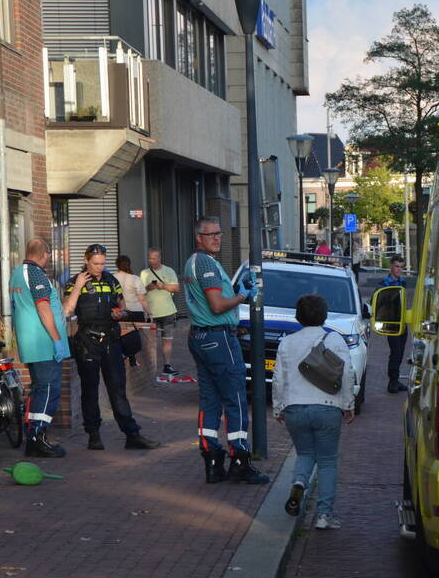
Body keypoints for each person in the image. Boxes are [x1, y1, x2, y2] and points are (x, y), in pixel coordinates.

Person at [183, 216, 268, 484]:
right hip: (218, 339)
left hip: (201, 336)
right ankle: (240, 461)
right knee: (236, 398)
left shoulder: (193, 262)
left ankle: (211, 458)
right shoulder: (206, 262)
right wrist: (243, 295)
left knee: (210, 400)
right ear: (199, 237)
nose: (217, 238)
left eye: (219, 233)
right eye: (211, 234)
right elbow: (217, 305)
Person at [63, 244, 161, 451]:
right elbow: (66, 310)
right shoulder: (74, 282)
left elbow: (123, 308)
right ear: (86, 260)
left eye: (103, 263)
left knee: (117, 388)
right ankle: (94, 435)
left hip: (111, 339)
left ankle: (132, 434)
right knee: (89, 389)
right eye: (95, 263)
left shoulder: (111, 281)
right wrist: (79, 286)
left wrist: (120, 314)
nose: (99, 267)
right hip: (87, 340)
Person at [274, 294, 355, 529]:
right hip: (328, 408)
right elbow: (347, 374)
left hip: (295, 408)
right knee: (328, 461)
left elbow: (279, 379)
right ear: (324, 315)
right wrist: (348, 404)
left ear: (298, 316)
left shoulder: (287, 343)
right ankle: (323, 515)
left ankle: (299, 483)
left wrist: (279, 407)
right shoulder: (335, 340)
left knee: (305, 454)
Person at [9, 237, 69, 458]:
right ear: (46, 253)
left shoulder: (17, 273)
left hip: (32, 343)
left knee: (39, 389)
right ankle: (37, 439)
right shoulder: (35, 273)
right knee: (49, 390)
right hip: (43, 343)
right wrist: (56, 339)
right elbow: (43, 307)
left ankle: (34, 436)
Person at [141, 247, 181, 376]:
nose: (151, 261)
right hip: (151, 313)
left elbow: (176, 288)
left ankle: (167, 365)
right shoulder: (144, 273)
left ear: (159, 258)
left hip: (168, 311)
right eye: (149, 258)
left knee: (167, 339)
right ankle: (151, 368)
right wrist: (149, 287)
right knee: (151, 342)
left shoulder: (169, 271)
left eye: (154, 258)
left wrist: (162, 286)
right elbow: (141, 292)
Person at [114, 255, 150, 367]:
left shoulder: (112, 278)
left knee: (120, 335)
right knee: (135, 337)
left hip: (121, 313)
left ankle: (124, 356)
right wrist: (149, 312)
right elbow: (142, 299)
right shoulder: (135, 278)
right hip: (136, 312)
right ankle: (135, 359)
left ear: (117, 265)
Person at [379, 256, 408, 393]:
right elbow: (377, 301)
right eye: (397, 266)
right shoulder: (385, 284)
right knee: (395, 352)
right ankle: (392, 382)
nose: (399, 270)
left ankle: (395, 380)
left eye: (401, 267)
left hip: (402, 321)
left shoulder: (403, 282)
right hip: (391, 323)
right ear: (391, 266)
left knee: (401, 351)